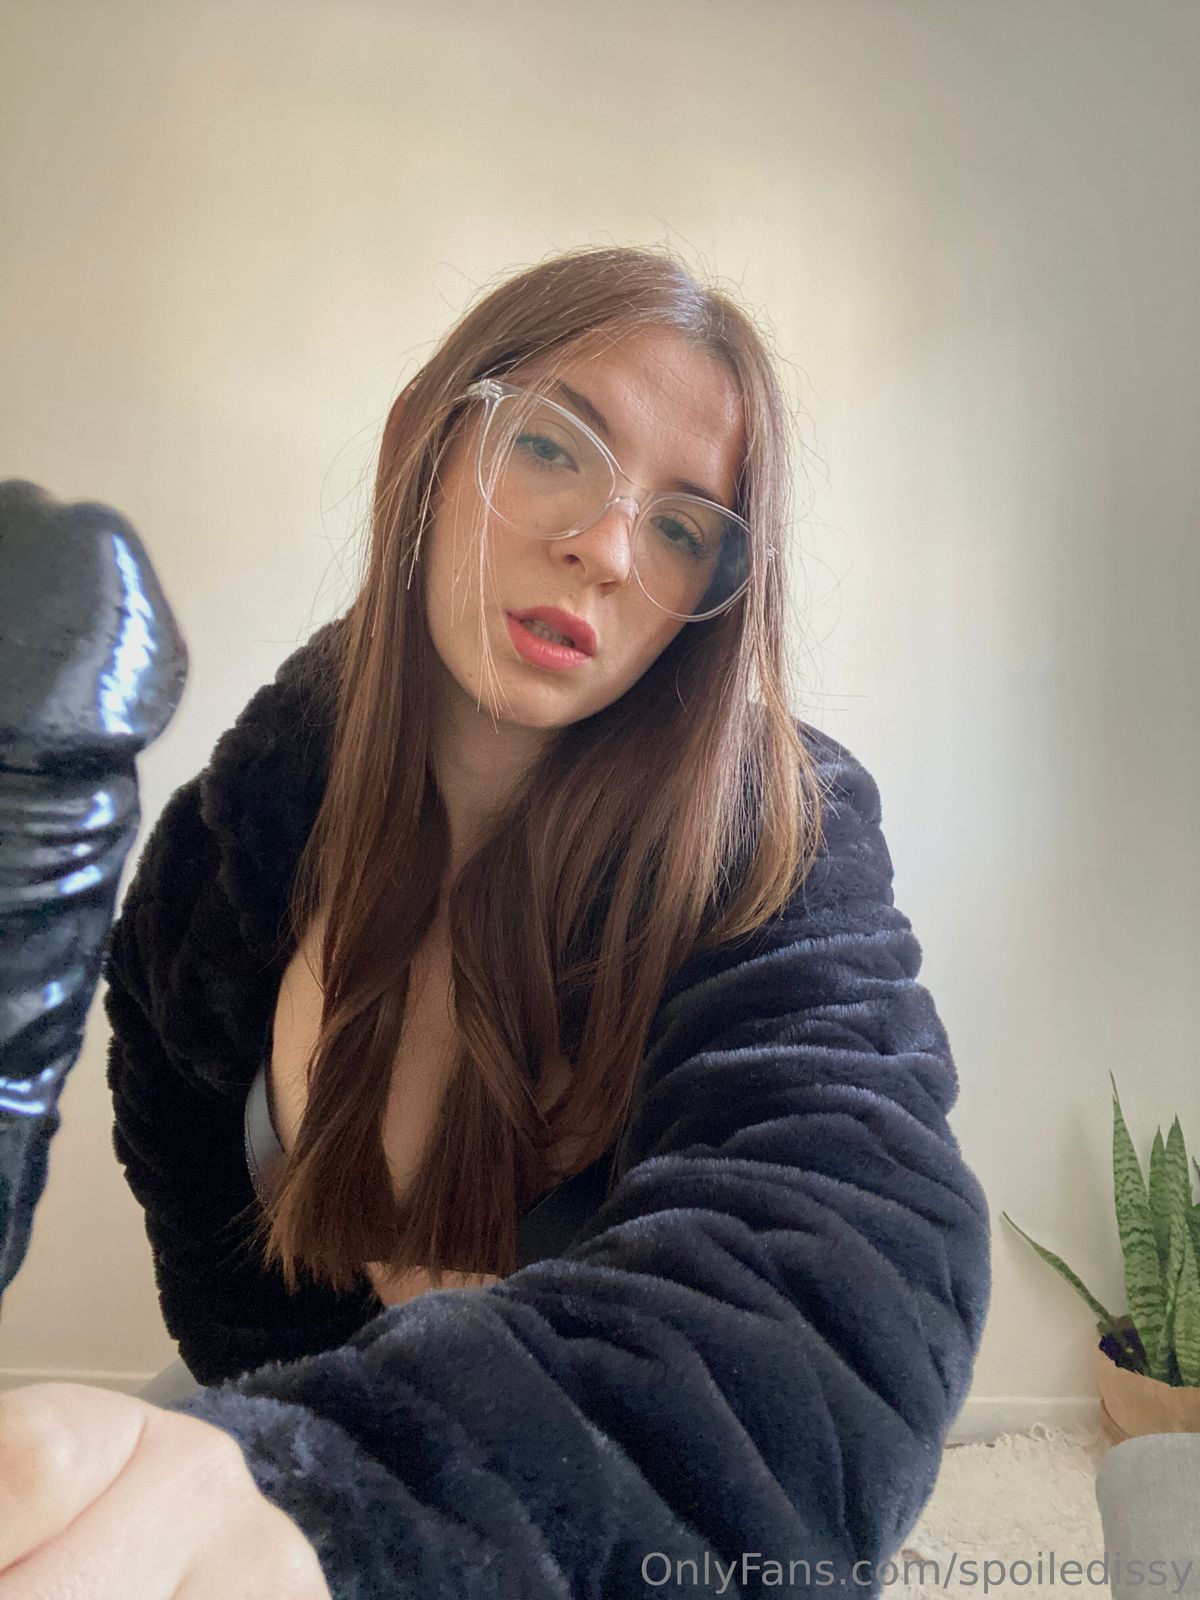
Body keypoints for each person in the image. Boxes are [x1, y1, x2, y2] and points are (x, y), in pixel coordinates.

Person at [93, 244, 990, 1595]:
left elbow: (849, 1265)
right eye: (555, 448)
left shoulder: (776, 840)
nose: (608, 549)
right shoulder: (217, 865)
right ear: (423, 443)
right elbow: (214, 1274)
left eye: (683, 528)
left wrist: (361, 1521)